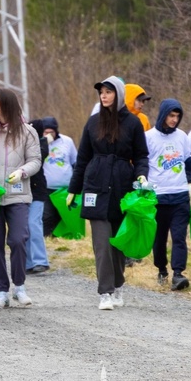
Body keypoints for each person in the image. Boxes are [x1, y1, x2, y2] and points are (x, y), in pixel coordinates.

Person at [67, 76, 149, 310]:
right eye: (101, 92)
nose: (103, 95)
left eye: (108, 92)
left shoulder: (133, 124)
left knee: (118, 243)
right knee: (101, 243)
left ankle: (118, 283)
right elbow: (82, 158)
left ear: (119, 95)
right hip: (96, 186)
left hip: (123, 187)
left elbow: (142, 156)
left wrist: (141, 175)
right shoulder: (93, 123)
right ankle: (105, 292)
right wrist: (74, 189)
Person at [0, 88, 42, 308]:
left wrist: (22, 172)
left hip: (18, 195)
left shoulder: (27, 132)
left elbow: (35, 160)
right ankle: (1, 291)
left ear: (6, 103)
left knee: (18, 238)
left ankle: (20, 287)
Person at [146, 99, 191, 291]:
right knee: (160, 238)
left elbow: (187, 162)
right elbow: (142, 164)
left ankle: (178, 274)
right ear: (163, 114)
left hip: (179, 195)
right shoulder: (148, 137)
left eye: (177, 116)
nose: (174, 120)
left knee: (179, 237)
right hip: (158, 196)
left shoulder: (182, 136)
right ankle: (162, 269)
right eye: (171, 115)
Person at [41, 117, 77, 238]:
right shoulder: (38, 143)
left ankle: (63, 237)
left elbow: (75, 161)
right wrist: (44, 143)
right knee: (47, 215)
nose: (49, 134)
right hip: (47, 187)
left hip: (65, 188)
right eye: (46, 132)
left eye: (51, 132)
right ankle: (46, 237)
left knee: (64, 214)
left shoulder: (67, 141)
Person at [25, 118, 52, 274]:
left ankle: (41, 260)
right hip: (23, 190)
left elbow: (36, 159)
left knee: (33, 224)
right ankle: (28, 263)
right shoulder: (23, 143)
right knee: (25, 227)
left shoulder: (42, 145)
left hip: (37, 191)